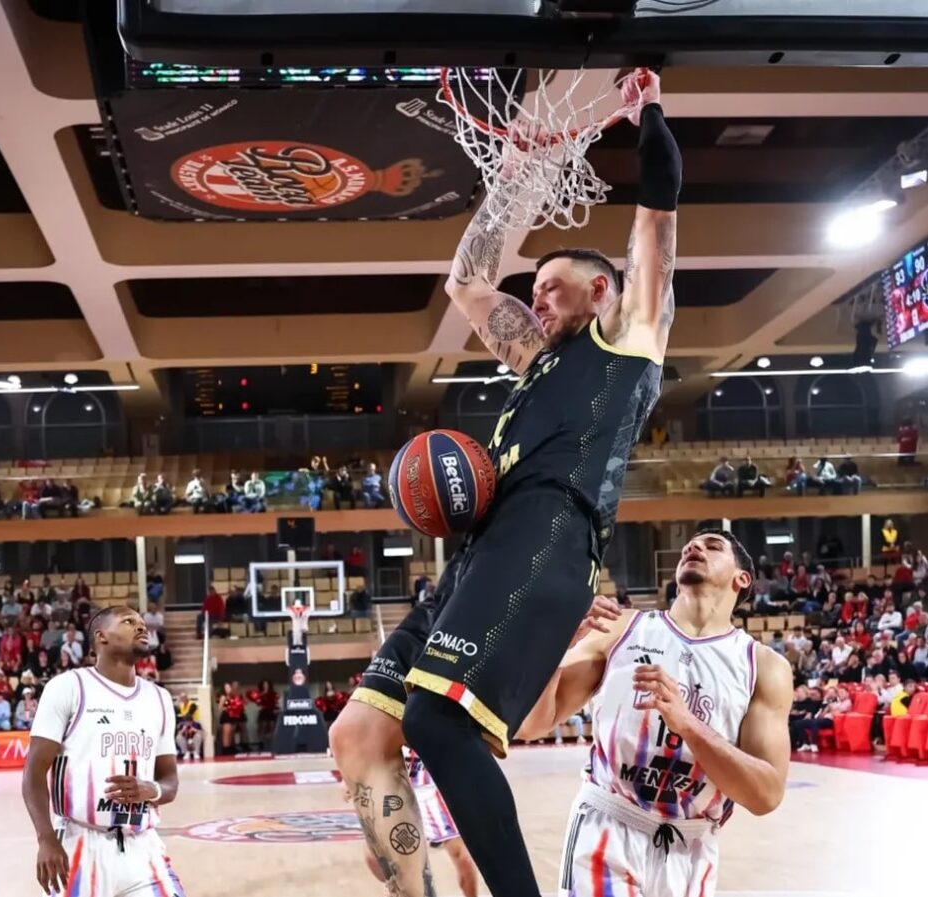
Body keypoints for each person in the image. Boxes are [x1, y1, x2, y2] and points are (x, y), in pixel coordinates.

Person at [331, 68, 679, 897]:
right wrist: (518, 174)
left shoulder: (629, 334)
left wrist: (648, 114)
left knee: (437, 721)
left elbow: (659, 214)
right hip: (482, 556)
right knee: (359, 734)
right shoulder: (535, 361)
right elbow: (467, 283)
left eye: (549, 286)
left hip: (549, 535)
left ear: (600, 290)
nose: (533, 299)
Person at [518, 530, 791, 897]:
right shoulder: (620, 627)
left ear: (742, 579)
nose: (694, 547)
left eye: (712, 546)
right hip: (608, 826)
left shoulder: (763, 666)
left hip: (691, 844)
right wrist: (553, 649)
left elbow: (766, 795)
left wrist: (687, 724)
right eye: (690, 545)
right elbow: (533, 724)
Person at [21, 606, 183, 897]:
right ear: (101, 637)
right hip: (80, 843)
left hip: (142, 846)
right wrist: (46, 839)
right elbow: (33, 773)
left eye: (143, 623)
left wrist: (151, 790)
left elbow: (170, 782)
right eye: (129, 621)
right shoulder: (68, 687)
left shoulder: (160, 698)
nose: (141, 627)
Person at [349, 749, 481, 897]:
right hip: (396, 790)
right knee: (374, 856)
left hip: (432, 790)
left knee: (463, 858)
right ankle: (396, 888)